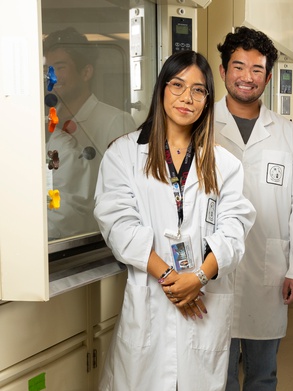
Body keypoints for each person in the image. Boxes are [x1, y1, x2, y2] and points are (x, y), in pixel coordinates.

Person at [94, 50, 256, 391]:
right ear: (161, 90)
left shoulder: (224, 165)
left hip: (204, 300)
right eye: (178, 85)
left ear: (208, 101)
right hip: (150, 299)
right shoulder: (123, 154)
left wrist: (198, 277)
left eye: (199, 90)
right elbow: (119, 227)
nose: (187, 97)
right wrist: (171, 279)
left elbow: (235, 229)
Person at [214, 27, 293, 391]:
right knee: (215, 374)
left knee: (263, 374)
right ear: (223, 71)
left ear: (268, 77)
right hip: (213, 268)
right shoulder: (202, 126)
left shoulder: (289, 135)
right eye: (238, 66)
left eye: (257, 69)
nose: (247, 77)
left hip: (268, 268)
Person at [44, 27, 136, 240]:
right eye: (48, 68)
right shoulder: (47, 123)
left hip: (94, 238)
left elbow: (130, 190)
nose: (52, 76)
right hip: (56, 235)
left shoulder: (115, 121)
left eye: (59, 67)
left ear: (86, 72)